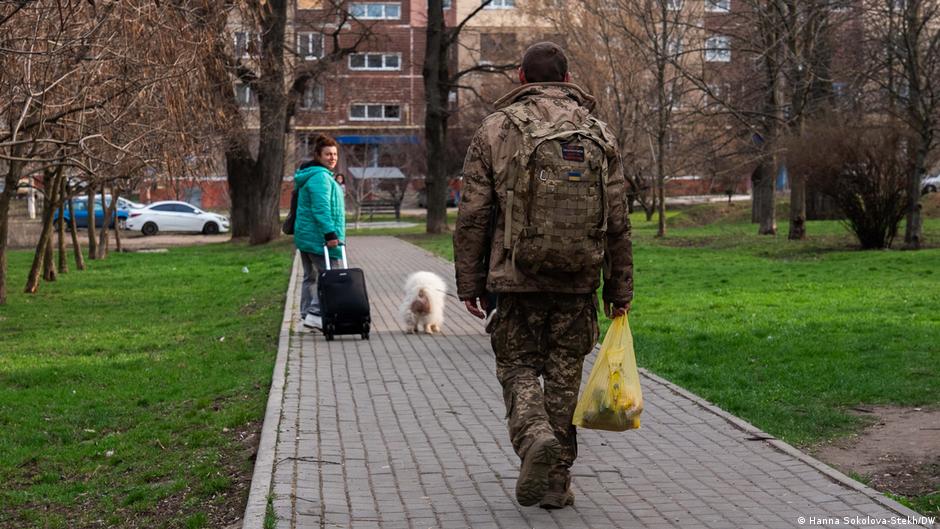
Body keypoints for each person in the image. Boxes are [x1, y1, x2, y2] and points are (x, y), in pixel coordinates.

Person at [453, 42, 633, 510]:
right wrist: (620, 289)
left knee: (517, 367)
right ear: (568, 78)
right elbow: (618, 220)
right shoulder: (598, 133)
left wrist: (469, 284)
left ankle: (533, 438)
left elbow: (473, 215)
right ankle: (556, 482)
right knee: (564, 376)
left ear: (520, 76)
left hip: (515, 277)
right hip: (579, 280)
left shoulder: (495, 129)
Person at [293, 134, 346, 331]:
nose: (332, 158)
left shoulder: (314, 175)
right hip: (319, 238)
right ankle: (315, 314)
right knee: (332, 275)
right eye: (327, 154)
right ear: (318, 155)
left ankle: (305, 318)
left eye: (334, 154)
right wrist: (330, 233)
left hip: (308, 236)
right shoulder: (320, 177)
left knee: (311, 277)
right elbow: (321, 207)